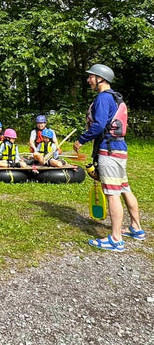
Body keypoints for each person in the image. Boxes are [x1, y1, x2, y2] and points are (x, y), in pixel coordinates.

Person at [74, 64, 145, 251]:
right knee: (124, 188)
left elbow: (98, 126)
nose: (88, 80)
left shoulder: (103, 98)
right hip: (120, 149)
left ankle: (115, 239)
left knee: (112, 194)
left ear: (100, 78)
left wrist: (81, 141)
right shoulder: (116, 97)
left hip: (109, 151)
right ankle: (136, 228)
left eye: (91, 76)